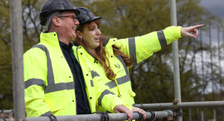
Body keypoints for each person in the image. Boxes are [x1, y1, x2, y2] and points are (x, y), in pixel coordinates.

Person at [23, 0, 135, 121]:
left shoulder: (78, 53)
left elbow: (98, 87)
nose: (77, 23)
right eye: (73, 18)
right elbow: (33, 102)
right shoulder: (35, 55)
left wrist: (118, 105)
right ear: (57, 21)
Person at [75, 7, 203, 114]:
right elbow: (98, 91)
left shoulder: (113, 48)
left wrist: (178, 31)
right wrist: (117, 105)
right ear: (79, 34)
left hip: (129, 116)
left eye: (97, 27)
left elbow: (144, 42)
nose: (98, 32)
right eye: (92, 29)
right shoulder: (77, 60)